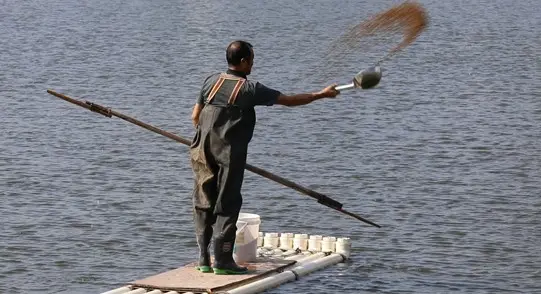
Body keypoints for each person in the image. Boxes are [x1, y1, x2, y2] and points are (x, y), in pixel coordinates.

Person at [190, 40, 340, 275]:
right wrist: (321, 94)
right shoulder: (250, 89)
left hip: (200, 150)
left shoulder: (211, 81)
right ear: (242, 62)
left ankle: (203, 259)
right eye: (251, 60)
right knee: (227, 203)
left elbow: (195, 116)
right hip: (228, 153)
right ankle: (223, 261)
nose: (253, 64)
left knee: (203, 201)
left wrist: (208, 142)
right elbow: (289, 101)